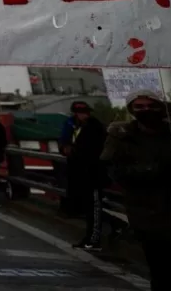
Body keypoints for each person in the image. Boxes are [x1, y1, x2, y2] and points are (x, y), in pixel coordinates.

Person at [101, 90, 171, 290]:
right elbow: (113, 170)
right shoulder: (122, 136)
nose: (147, 110)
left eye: (152, 106)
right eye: (140, 107)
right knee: (161, 269)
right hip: (147, 212)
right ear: (132, 110)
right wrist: (152, 170)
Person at [60, 101, 108, 251]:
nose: (81, 115)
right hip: (79, 172)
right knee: (88, 207)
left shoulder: (94, 127)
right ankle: (91, 237)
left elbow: (94, 150)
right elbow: (64, 142)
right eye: (78, 112)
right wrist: (65, 148)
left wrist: (74, 150)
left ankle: (94, 240)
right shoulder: (73, 126)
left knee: (93, 207)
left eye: (84, 112)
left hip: (92, 173)